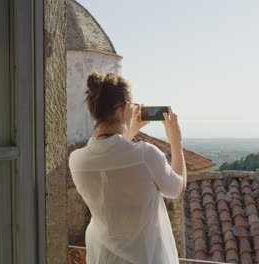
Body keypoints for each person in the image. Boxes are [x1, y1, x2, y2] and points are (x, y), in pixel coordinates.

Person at [69, 72, 187, 264]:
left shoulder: (77, 161)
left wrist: (129, 131)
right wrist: (176, 141)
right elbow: (177, 189)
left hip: (102, 257)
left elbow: (110, 156)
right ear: (124, 108)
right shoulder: (145, 155)